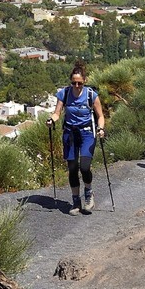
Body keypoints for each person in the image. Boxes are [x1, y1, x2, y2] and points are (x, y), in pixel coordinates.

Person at [48, 60, 105, 214]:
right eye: (74, 83)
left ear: (84, 81)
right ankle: (75, 202)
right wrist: (51, 120)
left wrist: (101, 128)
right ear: (71, 82)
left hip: (87, 133)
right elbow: (57, 113)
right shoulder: (65, 93)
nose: (77, 86)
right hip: (70, 133)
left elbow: (100, 116)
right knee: (72, 169)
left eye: (80, 83)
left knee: (84, 166)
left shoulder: (91, 95)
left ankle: (89, 194)